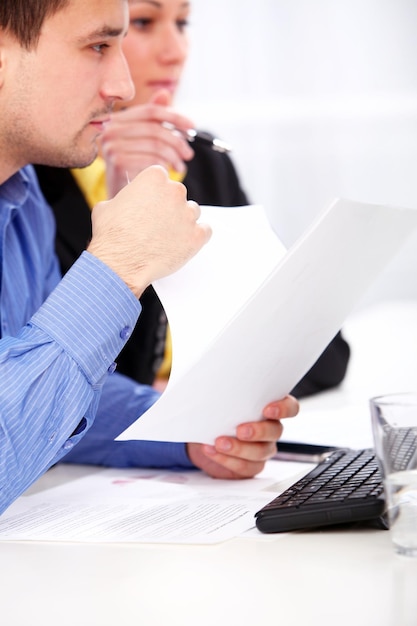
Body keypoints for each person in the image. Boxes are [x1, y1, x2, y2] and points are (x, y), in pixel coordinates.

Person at [0, 0, 299, 516]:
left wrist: (189, 434)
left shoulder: (22, 200)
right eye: (97, 45)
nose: (124, 87)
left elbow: (38, 388)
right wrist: (120, 263)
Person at [35, 0, 350, 394]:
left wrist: (191, 395)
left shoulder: (200, 161)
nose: (176, 51)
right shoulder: (32, 175)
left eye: (182, 23)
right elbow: (81, 390)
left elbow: (323, 357)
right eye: (145, 22)